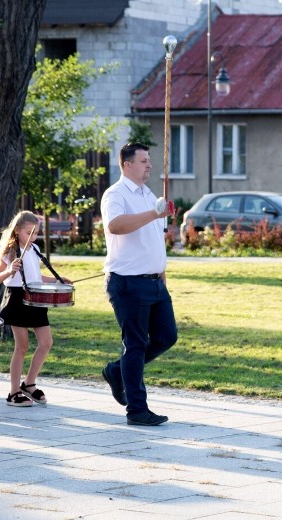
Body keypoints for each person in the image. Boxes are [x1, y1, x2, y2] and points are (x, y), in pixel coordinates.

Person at [100, 142, 177, 426]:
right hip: (128, 283)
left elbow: (155, 240)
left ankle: (117, 372)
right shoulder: (115, 194)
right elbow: (116, 226)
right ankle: (137, 410)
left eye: (150, 160)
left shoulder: (149, 195)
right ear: (126, 164)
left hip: (155, 282)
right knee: (134, 345)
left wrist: (162, 274)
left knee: (166, 337)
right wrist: (155, 214)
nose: (150, 165)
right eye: (144, 160)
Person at [0, 211, 71, 407]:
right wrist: (10, 270)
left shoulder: (34, 249)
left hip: (35, 299)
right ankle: (13, 392)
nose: (33, 237)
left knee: (46, 342)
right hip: (17, 299)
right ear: (17, 231)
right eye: (29, 233)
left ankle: (29, 383)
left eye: (36, 233)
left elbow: (36, 276)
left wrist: (58, 280)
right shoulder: (9, 252)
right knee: (22, 346)